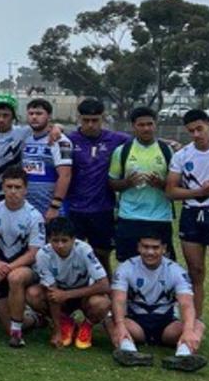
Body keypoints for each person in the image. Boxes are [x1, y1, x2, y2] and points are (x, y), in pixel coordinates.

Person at [165, 109, 209, 319]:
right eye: (191, 130)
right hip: (191, 214)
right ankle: (194, 325)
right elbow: (171, 190)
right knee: (195, 273)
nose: (196, 134)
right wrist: (199, 192)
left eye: (199, 128)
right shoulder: (182, 155)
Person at [110, 235, 207, 372]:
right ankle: (129, 352)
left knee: (197, 325)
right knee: (110, 320)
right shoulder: (125, 268)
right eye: (145, 247)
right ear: (138, 247)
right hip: (136, 325)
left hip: (167, 326)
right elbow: (118, 299)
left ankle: (183, 356)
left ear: (164, 249)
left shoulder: (176, 271)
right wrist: (120, 325)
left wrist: (188, 331)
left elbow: (186, 303)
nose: (150, 252)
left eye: (155, 248)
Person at [66, 98, 130, 275]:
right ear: (79, 118)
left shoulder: (116, 139)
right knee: (72, 258)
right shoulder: (69, 140)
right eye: (86, 120)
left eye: (95, 120)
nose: (91, 125)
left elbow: (142, 141)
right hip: (74, 209)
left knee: (102, 257)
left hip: (103, 209)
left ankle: (107, 298)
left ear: (103, 118)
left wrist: (169, 143)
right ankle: (76, 300)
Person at [0, 166, 46, 348]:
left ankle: (17, 334)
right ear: (3, 188)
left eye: (17, 187)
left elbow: (34, 253)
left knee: (15, 277)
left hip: (26, 271)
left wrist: (6, 269)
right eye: (9, 187)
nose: (13, 191)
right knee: (6, 326)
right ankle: (34, 319)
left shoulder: (34, 216)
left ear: (25, 189)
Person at [29, 217, 112, 350]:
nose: (60, 245)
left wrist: (67, 294)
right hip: (61, 296)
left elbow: (104, 284)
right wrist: (57, 331)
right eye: (55, 240)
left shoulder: (84, 250)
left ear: (73, 239)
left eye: (64, 240)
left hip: (84, 294)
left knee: (102, 303)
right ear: (49, 239)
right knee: (33, 294)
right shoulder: (43, 255)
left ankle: (87, 325)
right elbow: (53, 293)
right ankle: (64, 322)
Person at [108, 106, 174, 262]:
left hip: (160, 217)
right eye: (141, 125)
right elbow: (112, 182)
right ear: (133, 126)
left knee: (161, 264)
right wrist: (127, 183)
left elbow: (177, 185)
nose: (146, 128)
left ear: (155, 125)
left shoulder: (167, 151)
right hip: (130, 216)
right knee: (127, 263)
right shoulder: (122, 151)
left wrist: (161, 184)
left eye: (150, 124)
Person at [23, 99, 73, 220]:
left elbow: (65, 175)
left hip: (51, 209)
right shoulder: (25, 138)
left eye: (39, 113)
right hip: (28, 208)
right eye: (31, 113)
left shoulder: (60, 141)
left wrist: (54, 206)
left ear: (49, 116)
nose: (34, 117)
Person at [0, 93, 31, 209]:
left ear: (13, 116)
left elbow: (47, 127)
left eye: (6, 115)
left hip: (10, 193)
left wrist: (57, 128)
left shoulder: (23, 132)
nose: (1, 119)